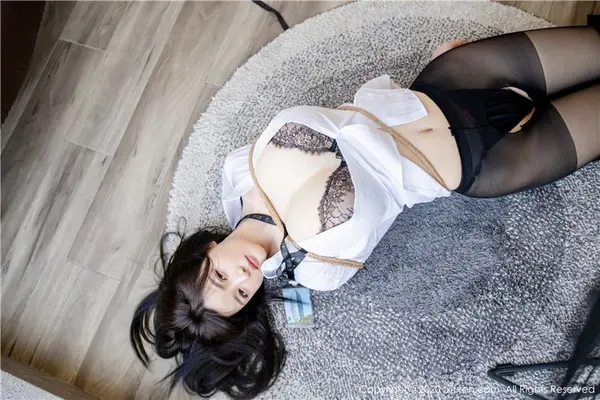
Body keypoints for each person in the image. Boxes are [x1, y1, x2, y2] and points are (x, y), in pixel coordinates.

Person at [130, 20, 600, 400]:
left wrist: (413, 85)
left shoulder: (239, 171)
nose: (243, 276)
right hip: (487, 162)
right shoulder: (317, 271)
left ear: (207, 250)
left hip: (450, 84)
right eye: (239, 294)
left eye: (220, 275)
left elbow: (347, 121)